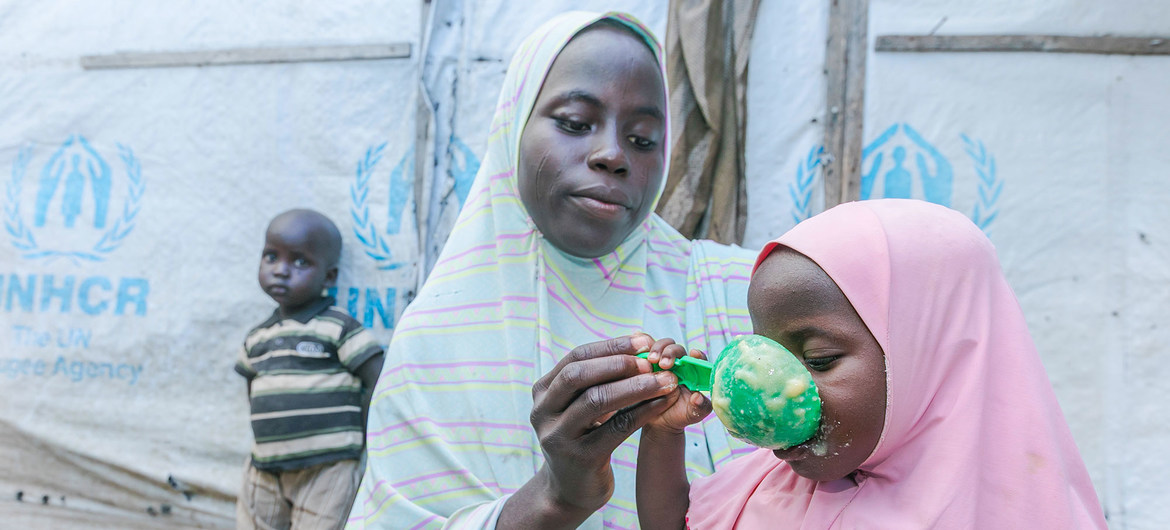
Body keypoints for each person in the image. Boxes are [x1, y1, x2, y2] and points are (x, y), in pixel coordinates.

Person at [348, 11, 756, 529]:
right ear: (513, 127)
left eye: (644, 138)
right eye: (575, 123)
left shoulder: (735, 294)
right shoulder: (436, 340)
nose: (612, 154)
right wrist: (557, 496)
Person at [635, 199, 1108, 529]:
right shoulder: (770, 487)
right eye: (769, 356)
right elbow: (677, 523)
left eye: (818, 359)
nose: (770, 391)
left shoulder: (1019, 513)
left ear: (927, 359)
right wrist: (663, 432)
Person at [235, 209, 385, 530]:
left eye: (300, 262)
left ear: (328, 277)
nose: (281, 271)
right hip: (265, 465)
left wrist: (356, 438)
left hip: (327, 466)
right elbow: (253, 389)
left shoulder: (338, 327)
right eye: (271, 257)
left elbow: (378, 380)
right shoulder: (256, 338)